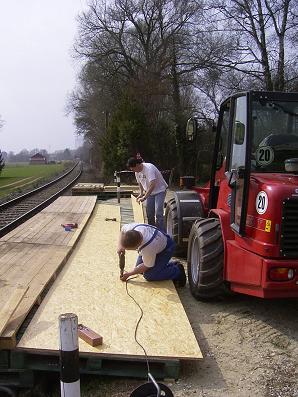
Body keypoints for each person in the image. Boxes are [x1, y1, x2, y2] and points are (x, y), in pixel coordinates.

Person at [117, 222, 186, 286]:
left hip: (166, 249)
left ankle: (177, 270)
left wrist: (129, 274)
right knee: (139, 269)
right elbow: (122, 230)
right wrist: (120, 246)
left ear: (138, 245)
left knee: (150, 275)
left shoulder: (148, 247)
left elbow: (147, 265)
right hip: (158, 243)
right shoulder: (132, 229)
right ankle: (169, 264)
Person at [127, 157, 168, 231]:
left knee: (158, 212)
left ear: (137, 165)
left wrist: (145, 197)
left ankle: (162, 232)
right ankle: (152, 231)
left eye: (133, 168)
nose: (133, 171)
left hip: (160, 191)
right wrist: (141, 193)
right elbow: (140, 183)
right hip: (149, 192)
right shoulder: (136, 172)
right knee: (149, 213)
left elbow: (153, 184)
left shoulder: (149, 168)